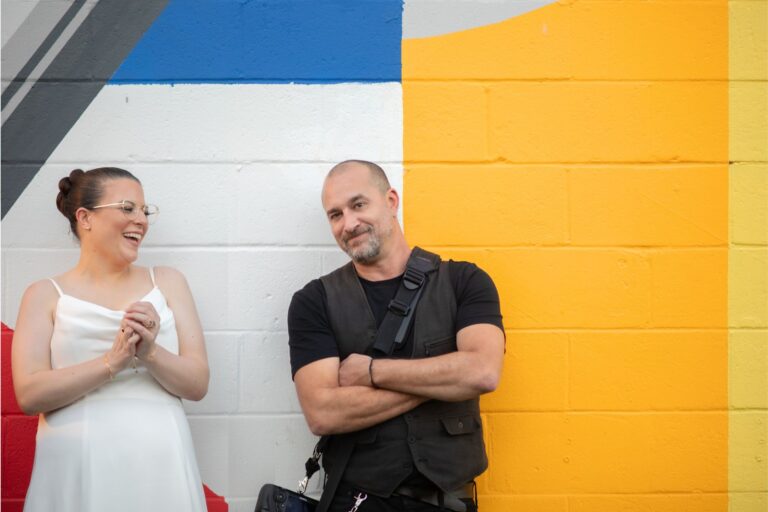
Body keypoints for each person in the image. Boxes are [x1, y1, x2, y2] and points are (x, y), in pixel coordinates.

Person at [288, 160, 505, 512]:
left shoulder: (465, 282)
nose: (349, 223)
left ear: (391, 201)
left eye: (358, 205)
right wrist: (443, 381)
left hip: (449, 501)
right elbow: (322, 413)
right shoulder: (314, 301)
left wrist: (372, 372)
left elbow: (482, 372)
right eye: (336, 215)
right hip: (356, 502)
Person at [11, 167, 210, 512]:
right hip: (76, 463)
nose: (141, 220)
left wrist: (150, 353)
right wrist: (111, 363)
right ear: (85, 218)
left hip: (160, 464)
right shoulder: (44, 294)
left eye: (144, 211)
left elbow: (197, 385)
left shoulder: (168, 282)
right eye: (127, 208)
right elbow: (29, 395)